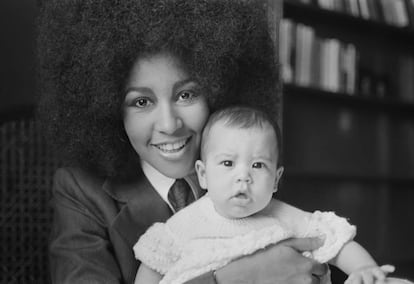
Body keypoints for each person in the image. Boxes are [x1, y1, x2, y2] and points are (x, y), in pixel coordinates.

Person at [37, 0, 329, 283]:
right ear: (108, 108)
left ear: (220, 89)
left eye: (186, 95)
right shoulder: (81, 192)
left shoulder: (250, 169)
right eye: (141, 101)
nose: (169, 124)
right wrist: (235, 278)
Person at [133, 106, 395, 284]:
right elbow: (152, 266)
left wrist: (363, 268)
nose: (243, 176)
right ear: (203, 174)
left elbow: (338, 243)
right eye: (227, 163)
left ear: (276, 180)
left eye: (258, 165)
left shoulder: (288, 218)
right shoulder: (183, 226)